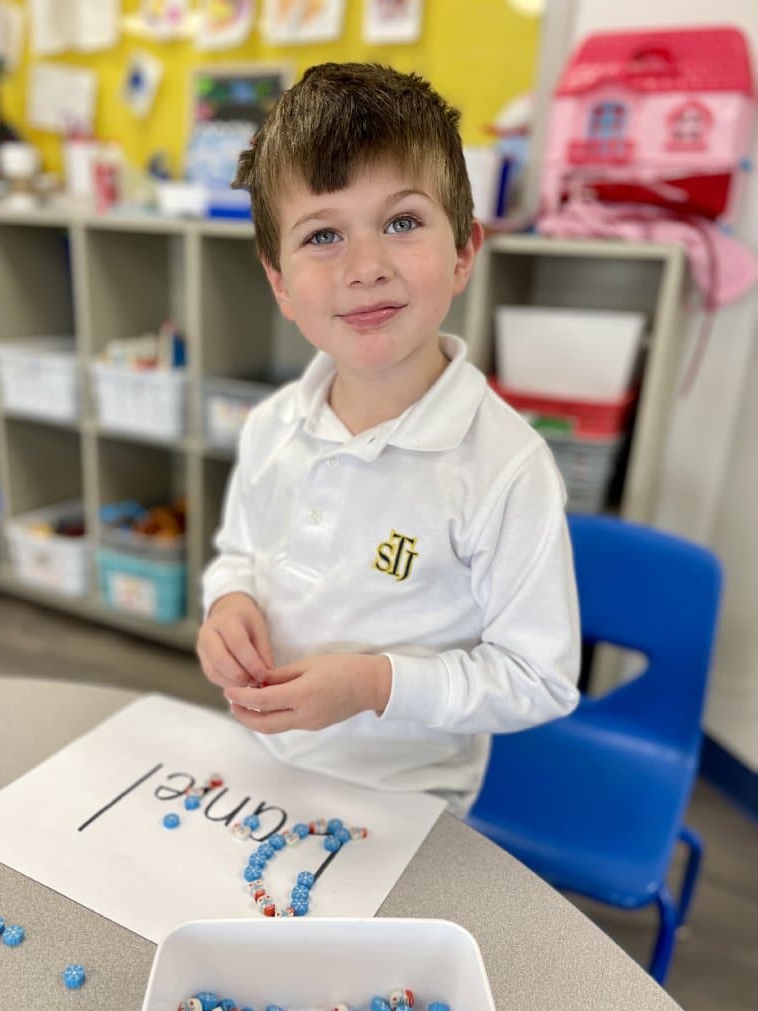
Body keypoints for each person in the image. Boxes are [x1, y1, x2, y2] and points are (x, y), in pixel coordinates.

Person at [197, 62, 580, 817]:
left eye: (402, 222)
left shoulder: (506, 468)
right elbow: (238, 552)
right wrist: (227, 601)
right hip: (269, 762)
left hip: (410, 798)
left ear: (463, 251)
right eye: (323, 235)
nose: (365, 268)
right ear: (280, 283)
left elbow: (540, 678)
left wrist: (376, 684)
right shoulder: (273, 425)